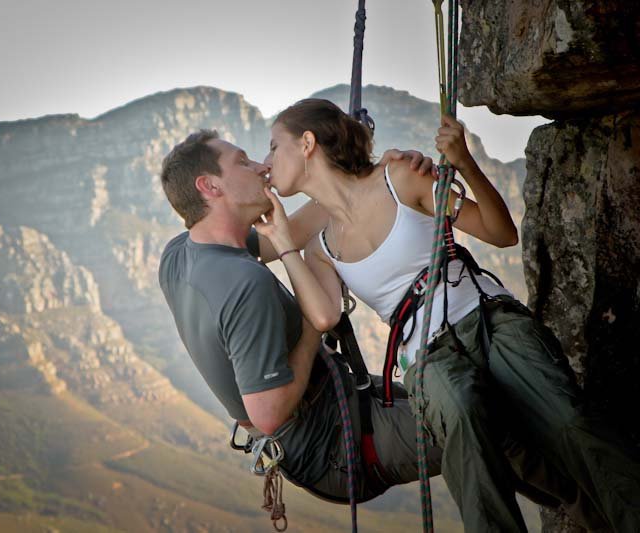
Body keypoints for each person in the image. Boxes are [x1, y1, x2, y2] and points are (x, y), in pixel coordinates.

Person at [259, 97, 640, 532]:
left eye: (274, 147)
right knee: (464, 426)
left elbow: (501, 233)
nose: (267, 161)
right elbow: (324, 316)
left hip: (488, 316)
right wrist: (283, 240)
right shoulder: (319, 249)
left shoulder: (400, 177)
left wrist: (465, 164)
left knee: (570, 423)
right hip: (427, 356)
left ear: (306, 143)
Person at [158, 130, 444, 508]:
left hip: (333, 412)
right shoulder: (245, 284)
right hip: (336, 444)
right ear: (209, 185)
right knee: (490, 425)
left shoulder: (182, 253)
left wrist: (369, 178)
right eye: (243, 162)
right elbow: (269, 415)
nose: (262, 167)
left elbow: (287, 234)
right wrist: (314, 323)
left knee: (476, 404)